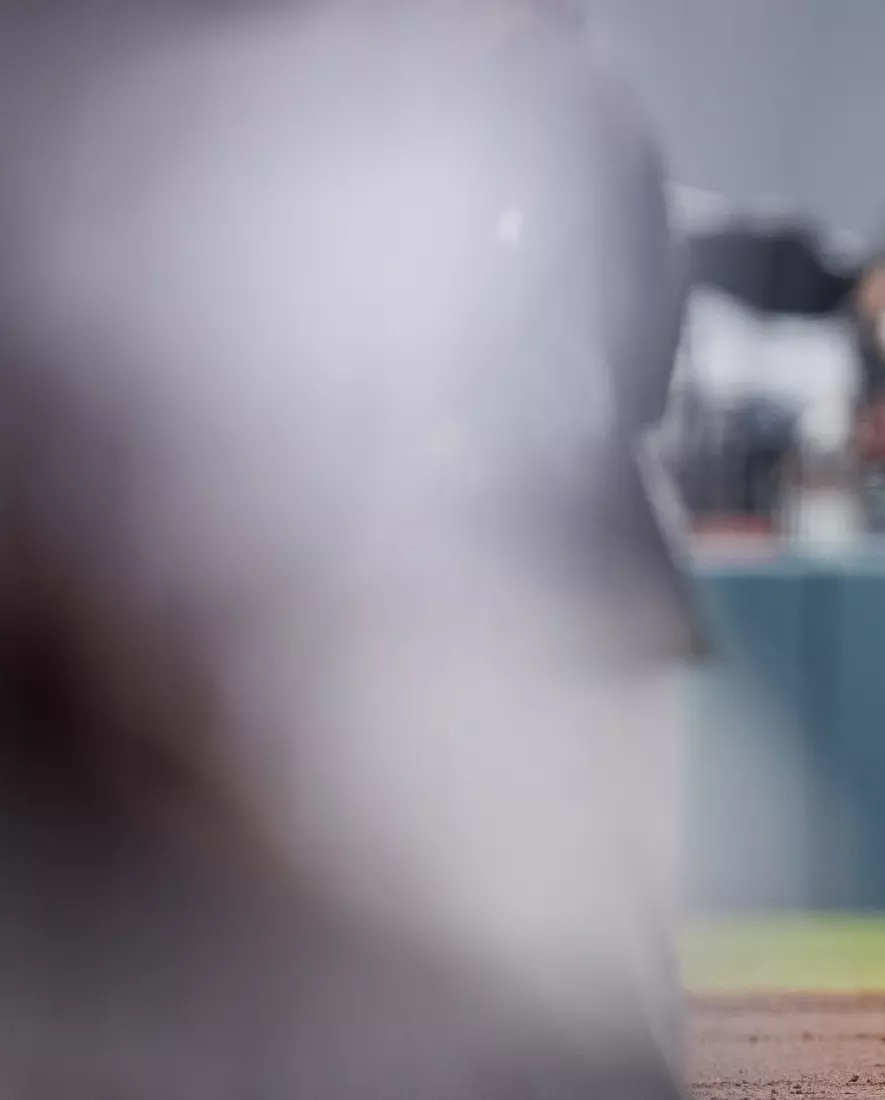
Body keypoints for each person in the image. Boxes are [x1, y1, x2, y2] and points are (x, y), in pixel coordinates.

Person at [0, 2, 694, 1095]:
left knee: (565, 951)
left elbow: (622, 371)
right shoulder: (318, 103)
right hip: (353, 624)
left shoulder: (555, 109)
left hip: (538, 598)